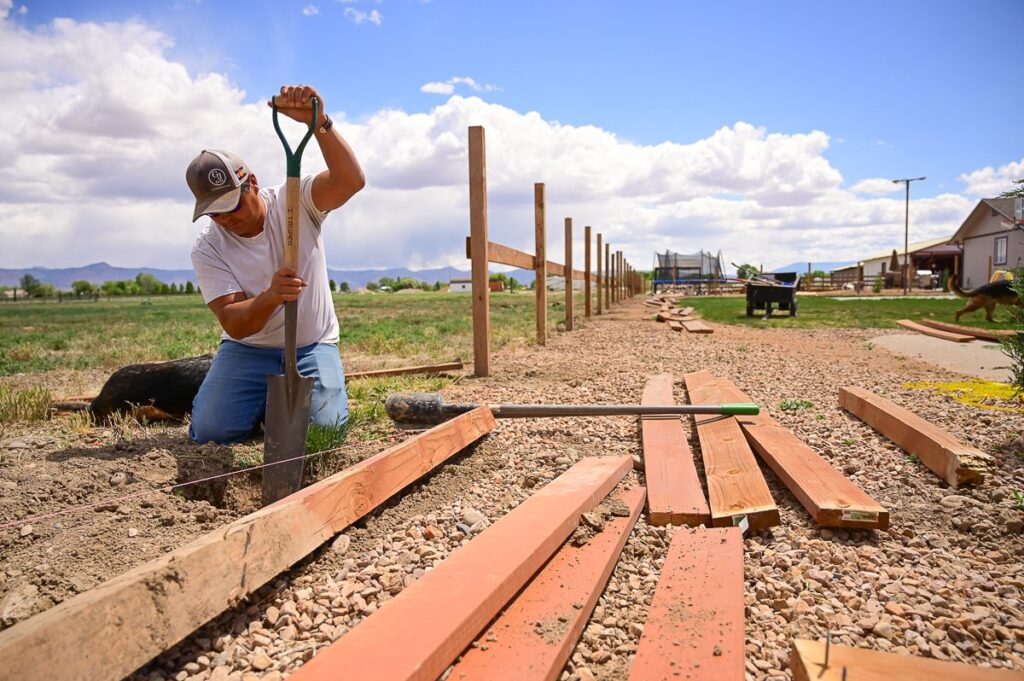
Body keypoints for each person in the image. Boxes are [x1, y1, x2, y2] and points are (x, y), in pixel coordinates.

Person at [185, 84, 364, 444]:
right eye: (214, 213)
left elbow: (350, 182)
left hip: (312, 344)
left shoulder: (295, 199)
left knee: (324, 434)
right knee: (211, 432)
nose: (225, 219)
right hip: (248, 349)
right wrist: (270, 296)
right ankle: (260, 405)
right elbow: (234, 323)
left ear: (250, 182)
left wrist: (320, 125)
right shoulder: (208, 247)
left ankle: (290, 406)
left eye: (231, 206)